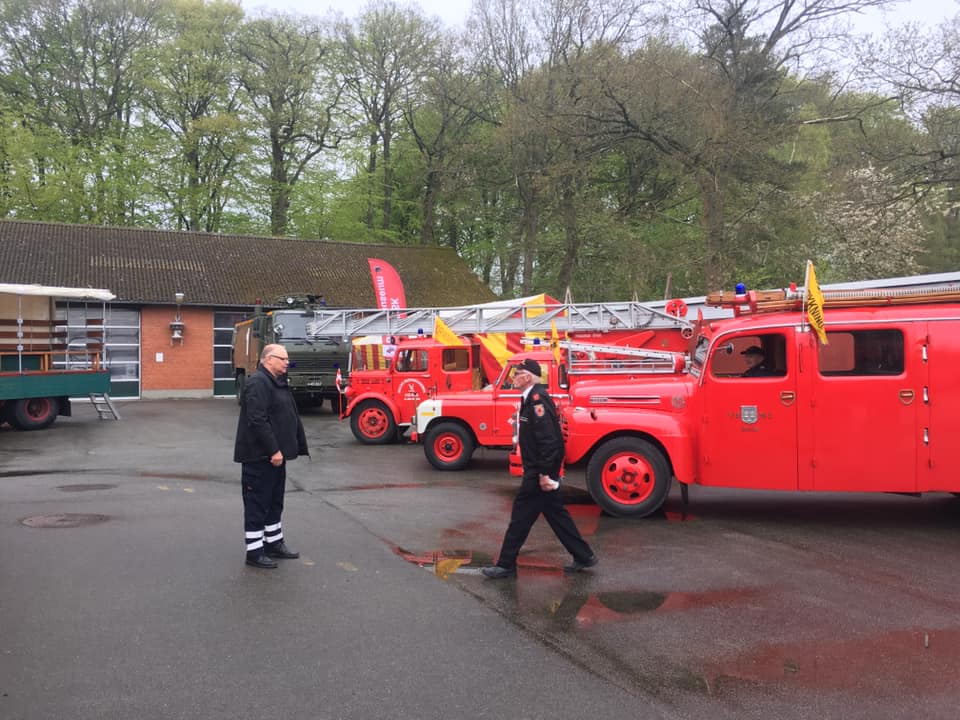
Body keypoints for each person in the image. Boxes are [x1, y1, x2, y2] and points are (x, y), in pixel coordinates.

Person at [481, 358, 597, 579]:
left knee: (520, 518)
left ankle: (506, 565)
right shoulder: (530, 399)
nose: (514, 378)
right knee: (556, 515)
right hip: (539, 470)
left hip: (538, 473)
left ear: (527, 377)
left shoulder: (537, 401)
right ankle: (584, 556)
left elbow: (549, 441)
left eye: (517, 374)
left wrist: (545, 474)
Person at [234, 343, 309, 569]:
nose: (287, 362)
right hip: (260, 457)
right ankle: (255, 552)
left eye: (287, 359)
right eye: (282, 359)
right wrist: (273, 450)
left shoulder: (276, 381)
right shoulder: (258, 383)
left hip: (277, 458)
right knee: (257, 503)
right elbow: (257, 420)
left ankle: (274, 543)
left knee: (274, 502)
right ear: (268, 359)